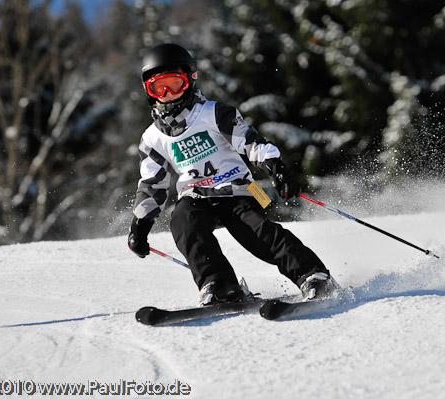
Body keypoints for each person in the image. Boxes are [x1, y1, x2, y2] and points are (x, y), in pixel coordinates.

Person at [128, 43, 339, 306]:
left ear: (190, 80)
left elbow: (249, 141)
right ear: (149, 91)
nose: (168, 94)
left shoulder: (213, 113)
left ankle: (312, 274)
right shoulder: (152, 139)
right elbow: (151, 184)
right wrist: (141, 224)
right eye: (159, 88)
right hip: (195, 194)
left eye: (175, 84)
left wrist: (275, 166)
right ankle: (219, 284)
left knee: (257, 232)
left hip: (239, 187)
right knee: (183, 221)